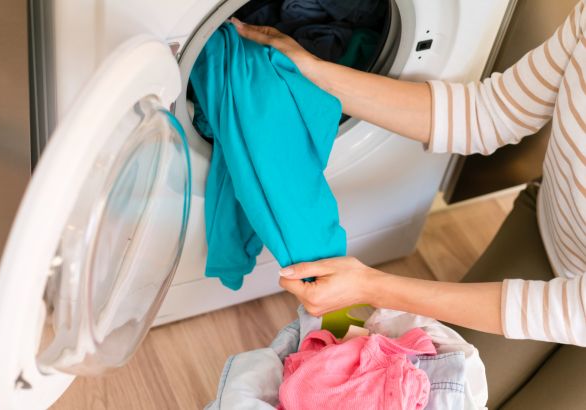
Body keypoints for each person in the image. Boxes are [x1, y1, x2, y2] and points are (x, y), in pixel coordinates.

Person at [233, 2, 586, 408]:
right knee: (437, 389)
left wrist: (373, 287)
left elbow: (571, 312)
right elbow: (489, 112)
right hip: (552, 236)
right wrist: (313, 70)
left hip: (574, 306)